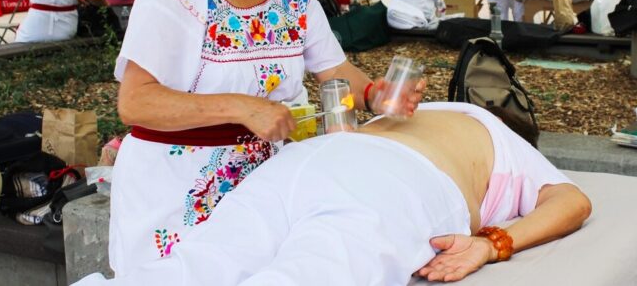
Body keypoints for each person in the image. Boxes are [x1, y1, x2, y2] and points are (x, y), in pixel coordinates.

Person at [106, 0, 424, 277]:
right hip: (173, 194)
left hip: (268, 190)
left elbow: (334, 70)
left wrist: (372, 95)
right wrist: (242, 107)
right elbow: (136, 102)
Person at [73, 103, 591, 286]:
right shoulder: (497, 135)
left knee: (195, 266)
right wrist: (490, 242)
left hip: (307, 161)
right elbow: (573, 202)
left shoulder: (427, 111)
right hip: (394, 183)